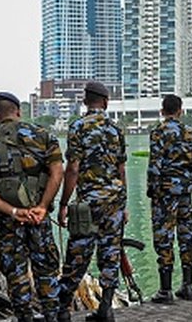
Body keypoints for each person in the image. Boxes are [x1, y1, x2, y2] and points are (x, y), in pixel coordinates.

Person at [0, 91, 64, 322]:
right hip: (39, 219)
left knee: (17, 276)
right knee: (46, 272)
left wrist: (13, 211)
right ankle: (52, 316)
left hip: (9, 222)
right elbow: (57, 173)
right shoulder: (44, 137)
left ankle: (25, 318)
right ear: (19, 112)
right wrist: (42, 206)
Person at [56, 81, 127, 322]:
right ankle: (105, 308)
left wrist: (64, 203)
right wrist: (123, 204)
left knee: (77, 254)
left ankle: (63, 309)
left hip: (88, 203)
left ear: (85, 101)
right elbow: (121, 169)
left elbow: (73, 169)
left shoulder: (77, 127)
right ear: (106, 102)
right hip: (114, 202)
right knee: (110, 254)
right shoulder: (116, 129)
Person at [147, 94, 192, 304]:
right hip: (185, 194)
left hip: (165, 194)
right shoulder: (191, 133)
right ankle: (188, 286)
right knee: (186, 237)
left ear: (162, 111)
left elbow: (154, 166)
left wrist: (153, 192)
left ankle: (165, 291)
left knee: (164, 239)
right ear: (180, 110)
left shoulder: (158, 132)